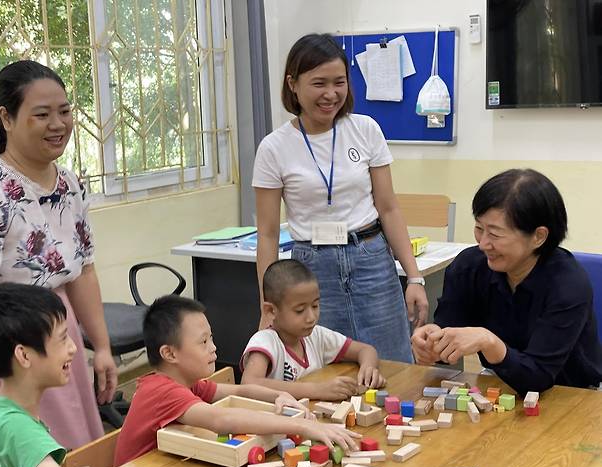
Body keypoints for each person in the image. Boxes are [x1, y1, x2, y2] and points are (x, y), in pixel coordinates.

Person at [0, 60, 117, 467]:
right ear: (6, 117)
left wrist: (103, 348)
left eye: (65, 111)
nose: (57, 124)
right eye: (41, 114)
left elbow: (83, 273)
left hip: (55, 336)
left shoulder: (70, 184)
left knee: (70, 460)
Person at [253, 33, 427, 363]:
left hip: (371, 260)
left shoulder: (365, 129)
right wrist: (268, 304)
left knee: (394, 365)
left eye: (339, 82)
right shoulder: (274, 147)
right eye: (319, 83)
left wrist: (414, 277)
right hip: (310, 271)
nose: (331, 94)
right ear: (293, 83)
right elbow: (268, 234)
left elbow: (388, 208)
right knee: (323, 371)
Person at [411, 169, 602, 394]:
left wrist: (489, 342)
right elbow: (450, 331)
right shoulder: (469, 266)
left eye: (495, 234)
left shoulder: (568, 284)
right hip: (500, 382)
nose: (483, 244)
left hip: (569, 392)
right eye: (479, 228)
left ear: (538, 236)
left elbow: (539, 377)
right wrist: (433, 343)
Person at [113, 295, 360, 467]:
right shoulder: (162, 391)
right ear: (170, 354)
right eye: (203, 342)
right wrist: (304, 427)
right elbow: (221, 420)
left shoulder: (186, 381)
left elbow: (242, 390)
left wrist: (278, 396)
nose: (213, 347)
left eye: (211, 338)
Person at [0, 283, 98, 467]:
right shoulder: (15, 428)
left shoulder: (1, 417)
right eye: (63, 339)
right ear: (24, 355)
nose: (73, 348)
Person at [240, 259, 385, 400]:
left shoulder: (316, 335)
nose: (311, 317)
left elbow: (365, 350)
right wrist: (317, 390)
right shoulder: (265, 341)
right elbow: (249, 383)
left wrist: (369, 368)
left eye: (315, 306)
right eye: (300, 310)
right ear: (271, 311)